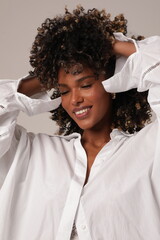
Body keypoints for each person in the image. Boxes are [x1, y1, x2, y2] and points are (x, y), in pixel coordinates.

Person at [0, 5, 160, 240]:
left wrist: (109, 48)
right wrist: (48, 74)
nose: (74, 99)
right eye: (64, 91)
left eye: (85, 85)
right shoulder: (31, 152)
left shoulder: (147, 151)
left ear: (113, 83)